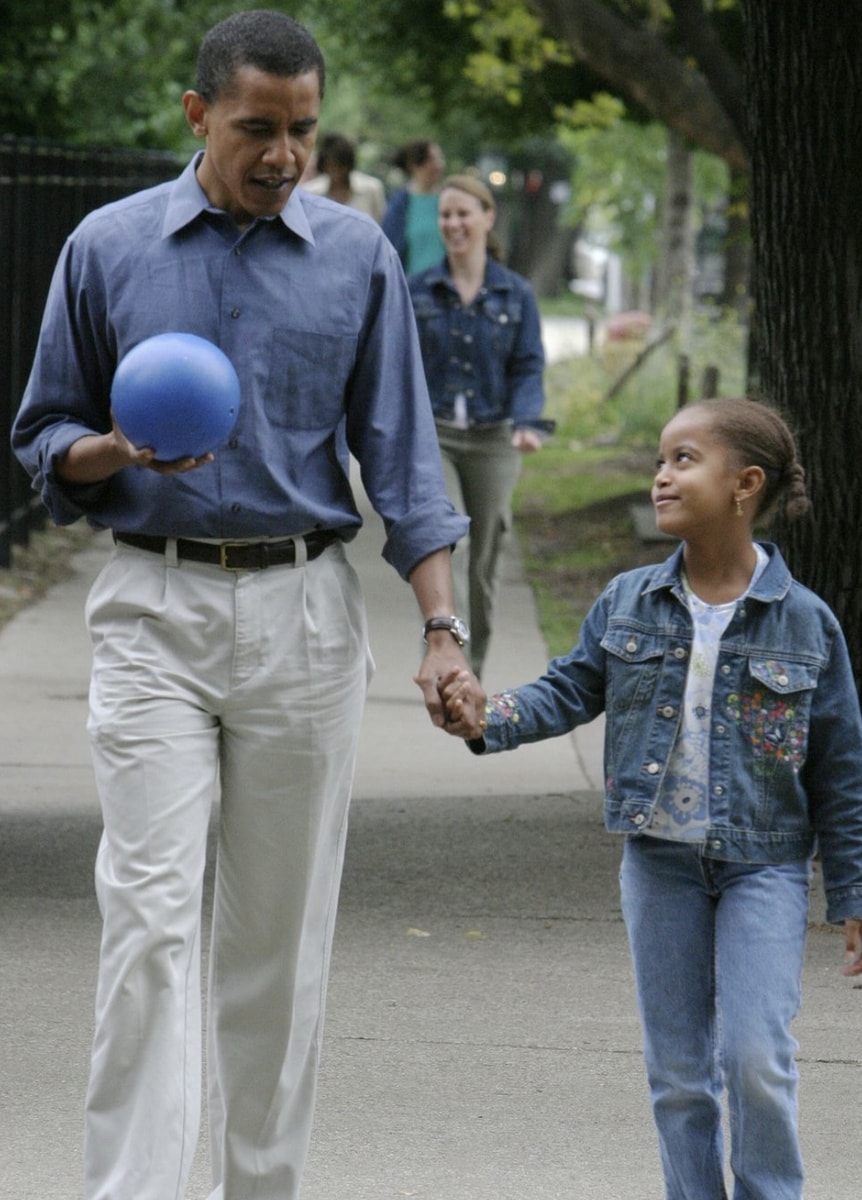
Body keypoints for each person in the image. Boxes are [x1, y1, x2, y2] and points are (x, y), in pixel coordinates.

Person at [10, 11, 471, 1200]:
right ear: (197, 114)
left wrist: (439, 629)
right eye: (257, 128)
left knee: (276, 944)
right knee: (149, 919)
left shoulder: (355, 255)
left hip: (303, 613)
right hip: (153, 609)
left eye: (303, 132)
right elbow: (41, 439)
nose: (282, 155)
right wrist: (114, 451)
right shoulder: (106, 246)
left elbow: (404, 462)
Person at [440, 397, 862, 1200]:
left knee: (755, 1059)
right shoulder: (627, 601)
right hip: (660, 866)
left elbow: (841, 772)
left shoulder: (806, 623)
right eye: (659, 459)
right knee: (679, 1075)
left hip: (763, 869)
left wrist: (856, 892)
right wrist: (486, 717)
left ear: (744, 484)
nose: (660, 476)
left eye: (684, 459)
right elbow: (566, 690)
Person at [408, 174, 548, 678]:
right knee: (449, 542)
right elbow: (400, 366)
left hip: (494, 438)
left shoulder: (517, 295)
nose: (453, 224)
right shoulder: (419, 289)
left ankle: (477, 669)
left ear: (488, 219)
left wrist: (528, 421)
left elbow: (529, 364)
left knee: (486, 558)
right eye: (446, 215)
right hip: (436, 437)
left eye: (464, 213)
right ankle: (448, 661)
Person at [381, 138, 445, 273]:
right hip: (412, 288)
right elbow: (389, 249)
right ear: (414, 165)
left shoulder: (448, 200)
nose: (439, 165)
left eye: (439, 158)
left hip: (448, 288)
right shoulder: (400, 204)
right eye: (432, 160)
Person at [301, 131, 385, 222]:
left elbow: (381, 222)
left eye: (339, 165)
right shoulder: (311, 192)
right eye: (330, 165)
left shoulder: (371, 189)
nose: (335, 171)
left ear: (347, 164)